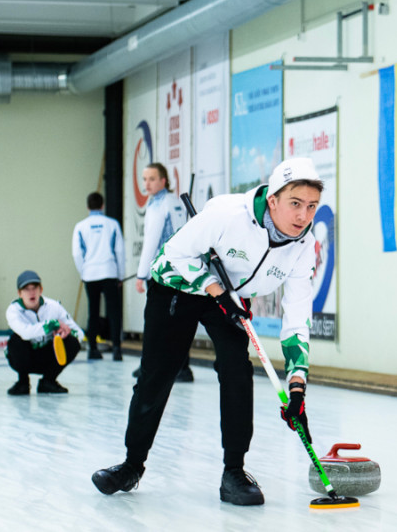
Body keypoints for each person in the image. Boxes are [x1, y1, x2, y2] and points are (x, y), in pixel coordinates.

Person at [91, 158, 323, 506]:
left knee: (237, 371)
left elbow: (297, 317)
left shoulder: (303, 246)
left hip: (228, 297)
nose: (303, 216)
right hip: (177, 285)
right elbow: (173, 255)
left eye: (311, 206)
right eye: (295, 203)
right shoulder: (228, 214)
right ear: (273, 200)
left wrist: (297, 384)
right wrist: (216, 291)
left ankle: (234, 473)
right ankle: (131, 465)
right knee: (158, 374)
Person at [132, 162, 192, 382]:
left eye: (151, 179)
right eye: (144, 179)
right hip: (174, 270)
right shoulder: (167, 202)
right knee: (174, 321)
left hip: (162, 273)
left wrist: (141, 274)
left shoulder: (162, 205)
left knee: (159, 322)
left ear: (163, 181)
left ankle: (152, 366)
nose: (146, 183)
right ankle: (175, 367)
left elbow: (151, 242)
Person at [5, 270, 84, 395]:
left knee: (72, 342)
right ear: (19, 293)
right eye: (26, 289)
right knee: (16, 340)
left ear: (41, 290)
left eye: (34, 288)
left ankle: (48, 381)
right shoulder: (13, 310)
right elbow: (26, 333)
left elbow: (79, 334)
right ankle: (23, 382)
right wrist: (53, 324)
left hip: (48, 356)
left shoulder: (54, 306)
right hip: (24, 358)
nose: (31, 293)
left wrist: (65, 332)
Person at [72, 192, 125, 361]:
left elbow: (76, 254)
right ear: (102, 205)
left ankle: (92, 348)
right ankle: (117, 349)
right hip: (109, 272)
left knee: (93, 312)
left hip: (90, 274)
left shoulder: (80, 226)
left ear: (87, 207)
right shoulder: (112, 224)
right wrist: (120, 276)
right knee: (114, 312)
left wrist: (83, 273)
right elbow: (120, 252)